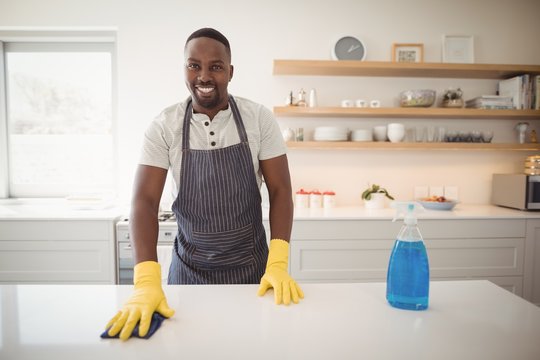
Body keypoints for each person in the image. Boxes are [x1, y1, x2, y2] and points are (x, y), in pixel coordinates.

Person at [105, 27, 304, 340]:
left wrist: (277, 263)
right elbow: (144, 201)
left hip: (252, 271)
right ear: (184, 68)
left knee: (251, 345)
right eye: (194, 65)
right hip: (188, 274)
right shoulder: (164, 126)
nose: (204, 76)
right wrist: (146, 279)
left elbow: (280, 191)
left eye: (216, 66)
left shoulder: (258, 119)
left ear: (230, 71)